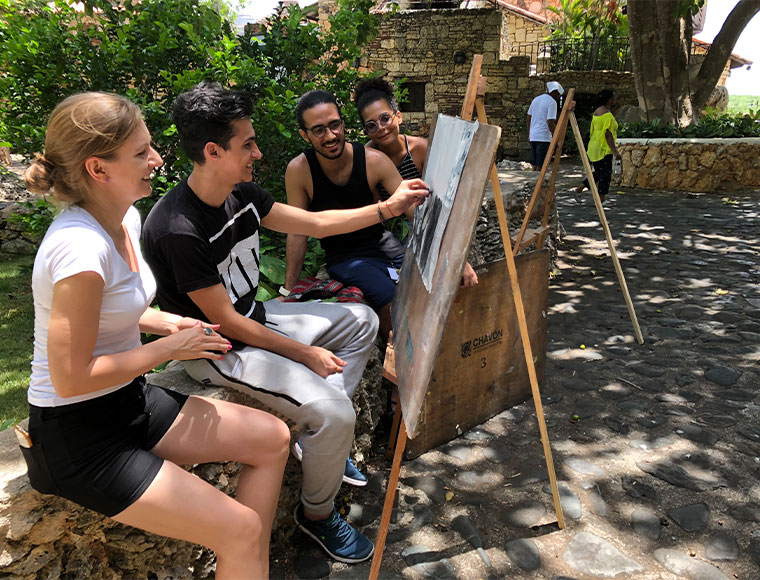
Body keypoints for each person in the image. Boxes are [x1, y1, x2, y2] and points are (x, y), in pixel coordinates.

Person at [142, 82, 428, 564]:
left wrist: (384, 209)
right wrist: (304, 352)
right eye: (248, 144)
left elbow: (313, 224)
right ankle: (316, 515)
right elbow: (225, 321)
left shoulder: (244, 194)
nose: (258, 152)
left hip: (256, 316)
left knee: (359, 320)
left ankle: (322, 441)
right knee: (336, 414)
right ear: (213, 151)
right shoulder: (177, 228)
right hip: (217, 349)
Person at [22, 92, 291, 579]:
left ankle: (249, 565)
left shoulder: (124, 215)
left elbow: (111, 311)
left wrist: (161, 321)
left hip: (128, 403)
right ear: (98, 169)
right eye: (142, 152)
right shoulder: (79, 250)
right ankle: (246, 553)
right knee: (240, 528)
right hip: (79, 439)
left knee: (272, 438)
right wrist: (171, 347)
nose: (158, 159)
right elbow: (70, 379)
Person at [284, 88, 475, 342]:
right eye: (319, 130)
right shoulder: (299, 171)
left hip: (385, 246)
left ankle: (448, 352)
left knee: (435, 284)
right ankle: (401, 371)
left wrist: (456, 259)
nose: (330, 136)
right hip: (346, 258)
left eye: (334, 125)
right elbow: (297, 231)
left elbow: (415, 213)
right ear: (304, 135)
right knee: (393, 302)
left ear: (343, 124)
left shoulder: (373, 161)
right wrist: (289, 290)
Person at [353, 77, 479, 288]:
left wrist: (458, 258)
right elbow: (374, 211)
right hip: (393, 231)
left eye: (385, 118)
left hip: (430, 222)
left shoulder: (420, 150)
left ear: (398, 116)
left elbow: (443, 201)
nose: (381, 128)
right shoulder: (368, 159)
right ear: (365, 131)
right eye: (372, 125)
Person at [573, 88, 622, 203]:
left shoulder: (597, 112)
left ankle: (579, 189)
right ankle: (601, 199)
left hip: (594, 146)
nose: (614, 100)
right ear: (609, 99)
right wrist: (615, 151)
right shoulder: (607, 116)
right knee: (605, 175)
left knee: (599, 173)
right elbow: (608, 134)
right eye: (613, 97)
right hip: (603, 148)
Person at [527, 81, 564, 171]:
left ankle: (535, 183)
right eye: (558, 95)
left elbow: (528, 118)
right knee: (541, 166)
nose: (558, 97)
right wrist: (556, 137)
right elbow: (550, 122)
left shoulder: (536, 99)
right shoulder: (552, 102)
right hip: (543, 137)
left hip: (533, 136)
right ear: (554, 92)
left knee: (535, 164)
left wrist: (529, 133)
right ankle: (539, 183)